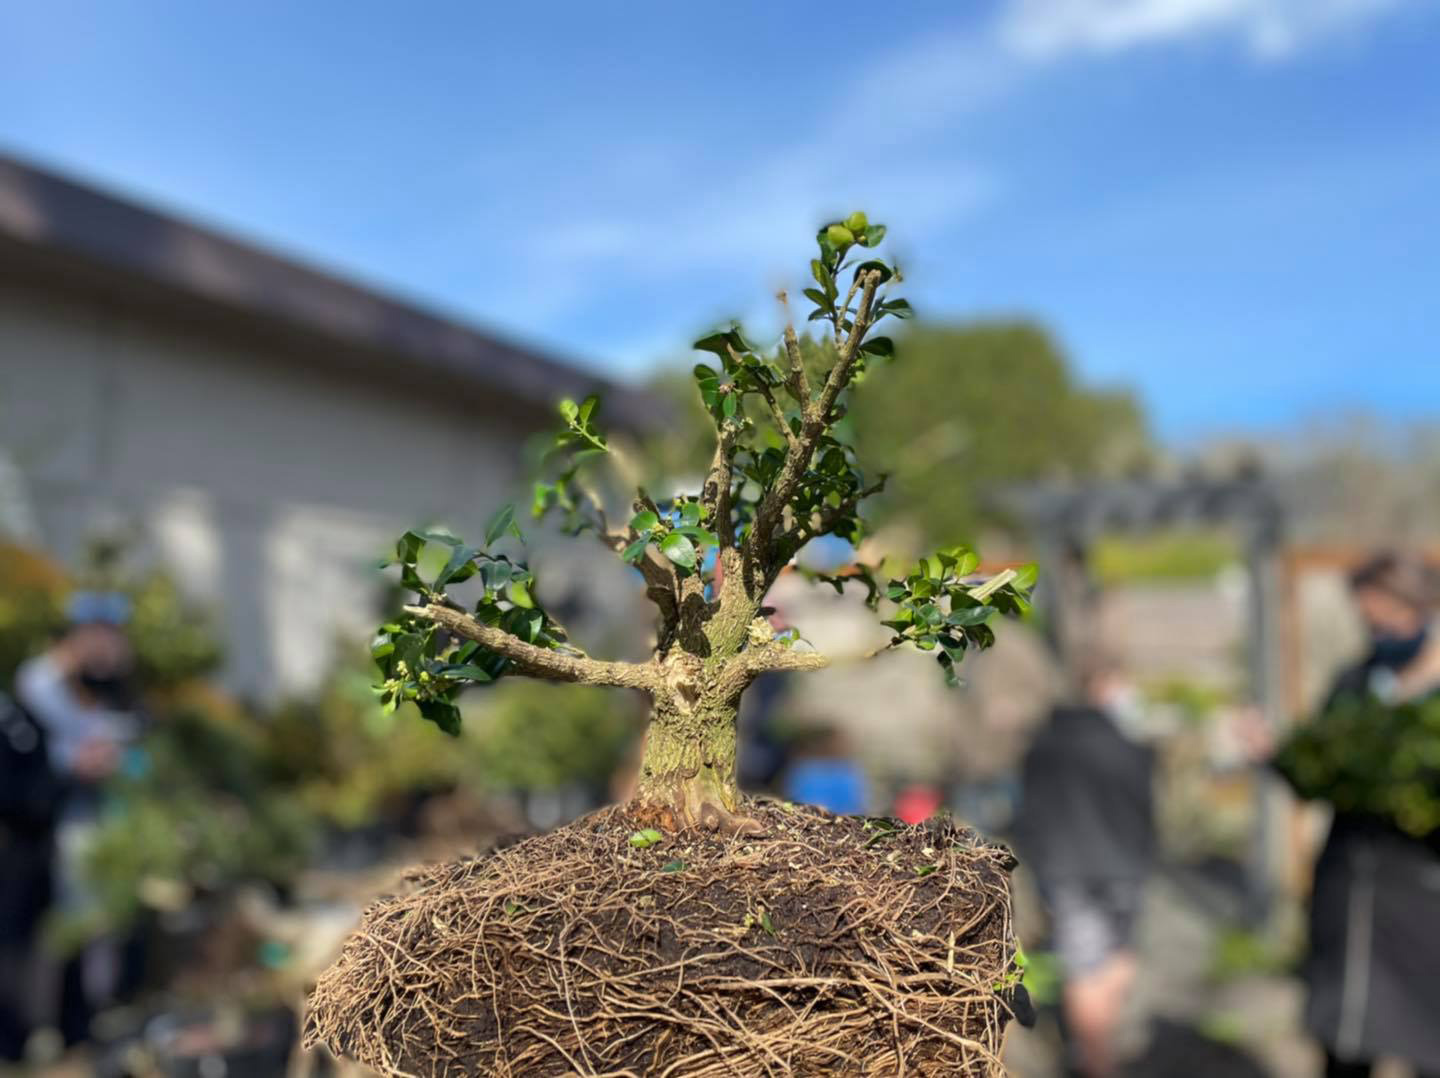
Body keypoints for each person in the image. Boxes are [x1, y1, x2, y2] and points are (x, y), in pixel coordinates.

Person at [1277, 553, 1440, 1078]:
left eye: (1385, 619)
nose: (1377, 632)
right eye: (1368, 622)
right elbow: (1319, 763)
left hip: (1423, 893)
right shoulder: (1356, 681)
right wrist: (1280, 756)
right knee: (1345, 1040)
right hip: (1350, 886)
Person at [1011, 647, 1154, 1078]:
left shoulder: (1043, 743)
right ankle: (1097, 1061)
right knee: (1112, 960)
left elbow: (1029, 813)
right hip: (1123, 868)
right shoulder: (1127, 745)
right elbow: (1144, 810)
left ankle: (1094, 1052)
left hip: (1066, 871)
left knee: (1087, 964)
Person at [13, 591, 140, 1047]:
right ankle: (37, 1031)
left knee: (99, 927)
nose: (108, 650)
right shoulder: (35, 690)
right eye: (99, 638)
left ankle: (82, 1021)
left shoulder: (110, 684)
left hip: (96, 821)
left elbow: (127, 740)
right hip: (40, 832)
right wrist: (77, 764)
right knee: (54, 934)